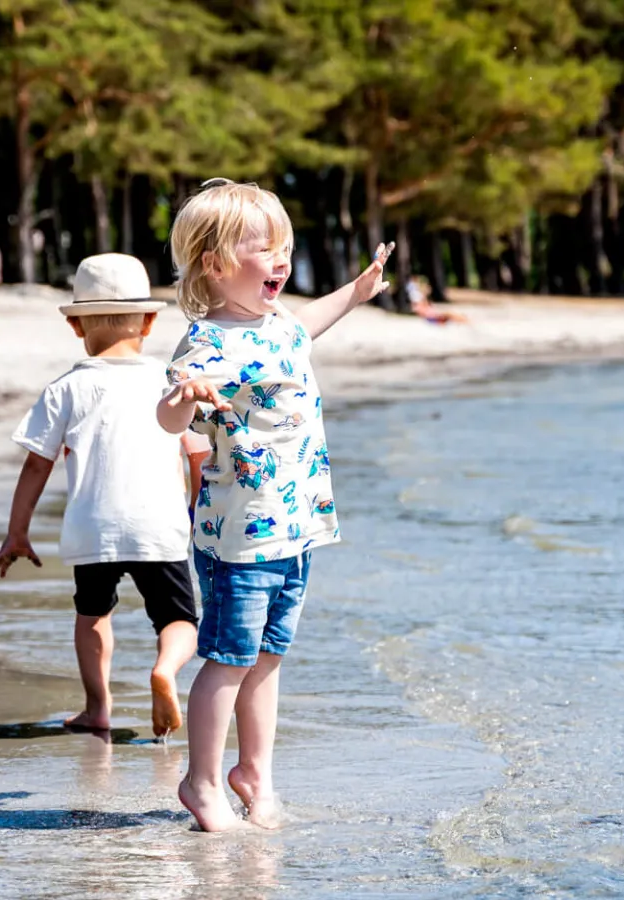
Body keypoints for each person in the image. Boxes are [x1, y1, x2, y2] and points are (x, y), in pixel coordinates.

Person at [155, 179, 394, 831]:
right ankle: (201, 782)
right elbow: (169, 417)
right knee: (228, 658)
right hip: (240, 537)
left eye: (285, 247)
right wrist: (188, 396)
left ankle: (253, 772)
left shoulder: (282, 326)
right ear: (216, 264)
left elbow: (313, 319)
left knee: (268, 658)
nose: (282, 261)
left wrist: (359, 289)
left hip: (296, 529)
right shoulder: (207, 343)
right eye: (265, 249)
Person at [0, 253, 209, 739]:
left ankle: (98, 708)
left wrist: (17, 533)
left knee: (92, 615)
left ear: (76, 327)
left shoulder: (65, 388)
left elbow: (36, 465)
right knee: (178, 619)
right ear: (149, 322)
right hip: (159, 525)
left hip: (93, 526)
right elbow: (198, 455)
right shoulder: (170, 383)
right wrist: (197, 511)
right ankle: (165, 670)